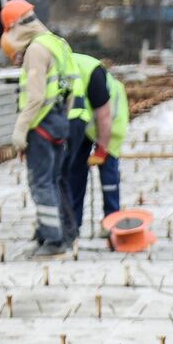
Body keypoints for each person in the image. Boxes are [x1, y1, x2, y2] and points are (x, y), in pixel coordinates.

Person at [1, 0, 79, 259]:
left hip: (41, 125)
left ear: (13, 26)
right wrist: (61, 120)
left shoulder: (36, 50)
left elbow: (35, 97)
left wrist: (21, 131)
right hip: (58, 123)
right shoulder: (58, 44)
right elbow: (69, 91)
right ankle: (62, 234)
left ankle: (53, 240)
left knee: (41, 183)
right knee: (54, 181)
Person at [63, 53, 128, 231]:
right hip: (83, 122)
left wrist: (101, 149)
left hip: (111, 121)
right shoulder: (57, 68)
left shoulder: (92, 72)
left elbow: (104, 116)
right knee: (75, 172)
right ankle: (73, 224)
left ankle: (112, 223)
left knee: (108, 174)